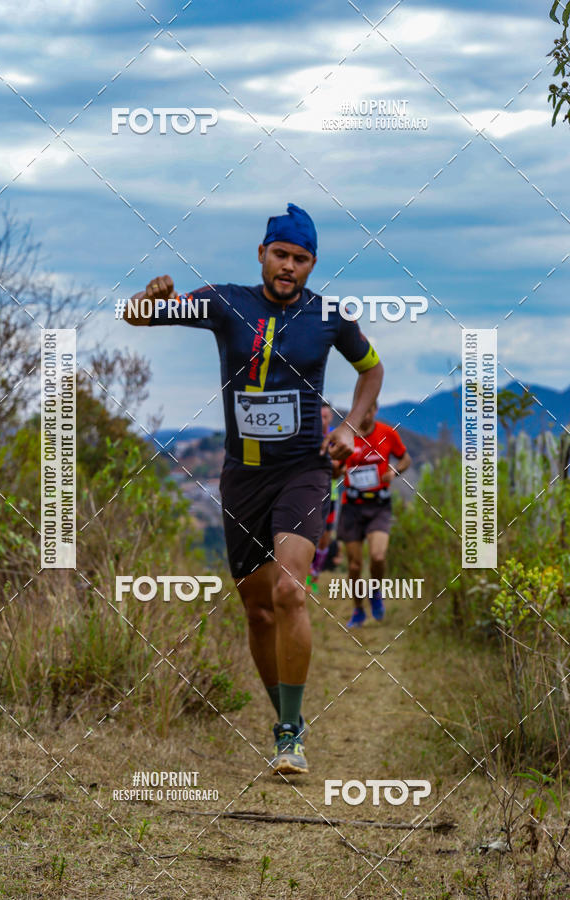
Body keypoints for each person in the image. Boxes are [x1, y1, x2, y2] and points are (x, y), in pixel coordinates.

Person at [124, 203, 383, 774]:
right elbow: (136, 317)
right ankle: (286, 715)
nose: (289, 266)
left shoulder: (331, 317)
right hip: (242, 476)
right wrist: (149, 297)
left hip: (304, 469)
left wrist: (351, 426)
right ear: (262, 254)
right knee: (259, 611)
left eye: (301, 259)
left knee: (290, 591)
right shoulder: (224, 302)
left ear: (312, 264)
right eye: (280, 254)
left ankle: (289, 734)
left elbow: (372, 370)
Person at [335, 401, 411, 627]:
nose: (366, 416)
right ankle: (358, 609)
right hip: (352, 506)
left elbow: (405, 458)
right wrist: (338, 469)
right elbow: (334, 469)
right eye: (362, 411)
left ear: (375, 410)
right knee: (354, 565)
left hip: (379, 505)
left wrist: (394, 471)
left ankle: (375, 591)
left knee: (378, 557)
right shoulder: (347, 436)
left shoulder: (387, 433)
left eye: (369, 411)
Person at [308, 402, 340, 590]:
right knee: (308, 536)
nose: (322, 421)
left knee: (325, 538)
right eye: (319, 417)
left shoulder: (336, 437)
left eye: (325, 417)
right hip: (308, 495)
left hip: (331, 494)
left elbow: (341, 468)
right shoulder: (307, 437)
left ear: (331, 417)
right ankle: (305, 577)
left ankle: (315, 575)